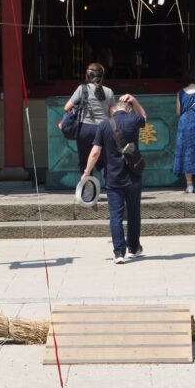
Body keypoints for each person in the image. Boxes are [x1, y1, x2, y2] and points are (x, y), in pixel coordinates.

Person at [82, 95, 147, 264]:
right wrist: (134, 100)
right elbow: (144, 116)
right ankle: (133, 248)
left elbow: (95, 152)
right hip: (133, 176)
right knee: (134, 213)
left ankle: (119, 253)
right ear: (127, 108)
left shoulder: (104, 125)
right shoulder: (134, 119)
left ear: (112, 111)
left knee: (115, 216)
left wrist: (87, 172)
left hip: (113, 177)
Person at [62, 63, 115, 175]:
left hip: (84, 129)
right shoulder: (109, 91)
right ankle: (111, 189)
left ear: (88, 76)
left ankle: (88, 190)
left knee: (84, 162)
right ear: (102, 76)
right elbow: (112, 115)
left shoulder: (82, 89)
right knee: (103, 162)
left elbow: (66, 107)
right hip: (103, 128)